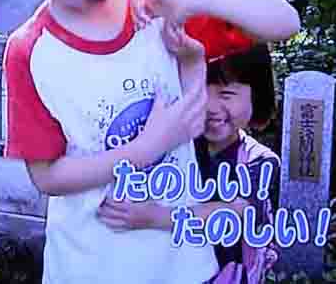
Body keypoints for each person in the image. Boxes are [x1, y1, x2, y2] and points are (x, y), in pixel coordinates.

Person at [0, 0, 300, 282]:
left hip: (183, 265)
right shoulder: (31, 52)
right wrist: (146, 148)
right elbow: (47, 176)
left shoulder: (161, 2)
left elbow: (284, 21)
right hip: (88, 268)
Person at [97, 45, 282, 284]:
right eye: (198, 91)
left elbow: (234, 211)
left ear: (257, 94)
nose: (210, 107)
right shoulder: (174, 148)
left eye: (226, 94)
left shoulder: (259, 161)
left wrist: (155, 217)